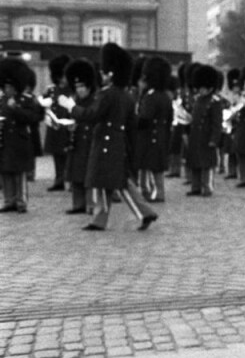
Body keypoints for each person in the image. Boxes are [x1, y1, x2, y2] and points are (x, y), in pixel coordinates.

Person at [59, 43, 158, 231]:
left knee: (107, 181)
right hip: (118, 143)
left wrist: (71, 107)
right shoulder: (126, 96)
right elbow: (132, 125)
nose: (102, 75)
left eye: (104, 72)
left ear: (111, 73)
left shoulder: (107, 94)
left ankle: (138, 213)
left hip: (105, 143)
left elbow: (92, 115)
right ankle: (107, 218)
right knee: (114, 181)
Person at [0, 58, 45, 213]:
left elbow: (32, 117)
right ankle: (8, 200)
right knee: (6, 172)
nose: (7, 90)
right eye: (5, 86)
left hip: (20, 141)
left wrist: (15, 109)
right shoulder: (1, 101)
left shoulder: (25, 100)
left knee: (19, 174)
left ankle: (21, 201)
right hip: (5, 141)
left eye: (10, 87)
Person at [133, 57, 173, 202]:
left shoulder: (150, 97)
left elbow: (144, 118)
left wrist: (133, 120)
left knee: (149, 164)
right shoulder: (165, 96)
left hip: (149, 135)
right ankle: (156, 190)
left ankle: (152, 191)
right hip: (161, 134)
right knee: (157, 166)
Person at [63, 59, 98, 214]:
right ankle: (78, 204)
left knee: (89, 175)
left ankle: (91, 204)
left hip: (90, 140)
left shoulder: (96, 100)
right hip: (77, 141)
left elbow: (90, 116)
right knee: (76, 173)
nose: (80, 90)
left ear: (89, 86)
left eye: (82, 86)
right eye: (77, 87)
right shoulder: (75, 101)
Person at [184, 64, 223, 196]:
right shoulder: (197, 100)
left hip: (207, 137)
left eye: (203, 88)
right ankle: (195, 187)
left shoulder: (215, 102)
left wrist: (214, 139)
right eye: (200, 88)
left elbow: (217, 123)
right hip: (196, 137)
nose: (200, 90)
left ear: (210, 88)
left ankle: (207, 187)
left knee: (206, 165)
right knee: (195, 163)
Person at [41, 54, 72, 192]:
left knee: (69, 155)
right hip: (54, 126)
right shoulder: (51, 90)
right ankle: (59, 179)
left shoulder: (71, 90)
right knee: (57, 155)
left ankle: (71, 180)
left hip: (67, 125)